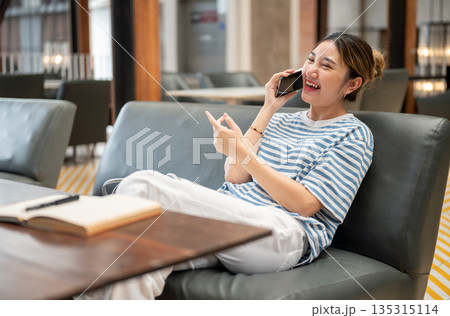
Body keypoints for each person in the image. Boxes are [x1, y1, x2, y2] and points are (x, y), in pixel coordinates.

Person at [80, 32, 385, 299]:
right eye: (310, 60)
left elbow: (304, 204)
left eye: (326, 66)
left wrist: (243, 152)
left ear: (352, 84)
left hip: (282, 234)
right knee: (140, 256)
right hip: (233, 220)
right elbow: (235, 176)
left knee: (143, 184)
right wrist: (268, 108)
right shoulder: (281, 120)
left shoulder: (353, 135)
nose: (311, 70)